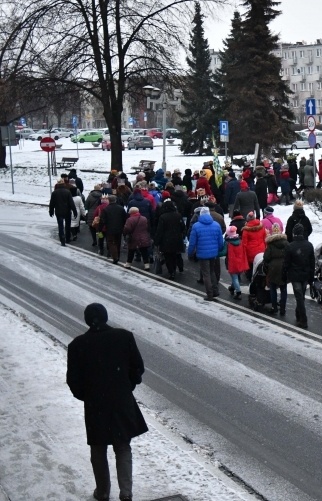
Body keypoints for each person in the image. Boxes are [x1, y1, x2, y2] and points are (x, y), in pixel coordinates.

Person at [66, 303, 147, 501]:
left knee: (98, 447)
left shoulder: (77, 345)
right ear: (106, 317)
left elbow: (73, 380)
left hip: (96, 404)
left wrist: (87, 395)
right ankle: (126, 493)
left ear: (87, 320)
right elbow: (138, 367)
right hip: (121, 400)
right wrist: (127, 385)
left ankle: (102, 492)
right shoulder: (124, 337)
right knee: (122, 445)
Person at [187, 207, 224, 301]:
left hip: (202, 254)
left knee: (206, 274)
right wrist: (218, 249)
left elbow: (192, 242)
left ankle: (210, 294)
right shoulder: (216, 225)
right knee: (212, 272)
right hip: (213, 253)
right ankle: (215, 290)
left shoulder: (196, 226)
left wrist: (190, 252)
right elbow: (220, 241)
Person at [283, 223, 315, 327]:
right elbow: (312, 262)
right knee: (301, 296)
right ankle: (298, 315)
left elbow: (286, 263)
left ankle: (303, 319)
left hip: (295, 274)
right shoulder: (309, 245)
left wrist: (285, 274)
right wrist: (311, 276)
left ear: (293, 233)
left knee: (299, 297)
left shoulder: (290, 246)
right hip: (305, 274)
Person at [153, 199, 185, 279]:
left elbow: (159, 230)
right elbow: (183, 227)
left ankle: (171, 272)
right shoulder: (178, 215)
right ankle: (174, 269)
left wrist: (156, 241)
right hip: (177, 239)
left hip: (166, 240)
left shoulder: (163, 217)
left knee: (168, 257)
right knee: (175, 255)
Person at [263, 224, 289, 315]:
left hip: (273, 268)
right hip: (284, 267)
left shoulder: (270, 244)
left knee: (273, 288)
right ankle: (283, 308)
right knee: (283, 289)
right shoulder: (286, 243)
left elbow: (266, 257)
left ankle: (274, 307)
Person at [99, 195, 127, 264]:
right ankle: (118, 256)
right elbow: (125, 218)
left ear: (109, 200)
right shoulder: (121, 208)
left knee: (111, 242)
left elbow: (102, 220)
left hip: (109, 228)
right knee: (118, 242)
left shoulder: (106, 209)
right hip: (119, 228)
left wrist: (100, 229)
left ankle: (115, 257)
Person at [49, 181, 78, 246]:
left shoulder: (54, 193)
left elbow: (52, 203)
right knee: (67, 225)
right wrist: (74, 211)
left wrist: (51, 211)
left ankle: (62, 238)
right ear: (63, 184)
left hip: (58, 211)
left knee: (60, 226)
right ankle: (67, 238)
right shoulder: (67, 192)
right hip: (67, 211)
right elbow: (71, 203)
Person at [224, 225, 249, 300]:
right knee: (236, 277)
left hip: (232, 262)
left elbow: (224, 252)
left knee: (234, 278)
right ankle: (232, 288)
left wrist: (216, 253)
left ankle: (238, 293)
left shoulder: (228, 243)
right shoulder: (240, 241)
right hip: (240, 262)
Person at [241, 211, 267, 280]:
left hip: (251, 251)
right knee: (261, 264)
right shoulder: (261, 226)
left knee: (251, 265)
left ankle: (251, 278)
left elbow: (244, 243)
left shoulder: (246, 230)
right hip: (262, 249)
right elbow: (265, 238)